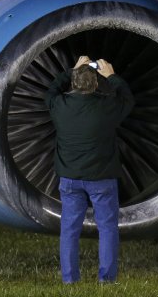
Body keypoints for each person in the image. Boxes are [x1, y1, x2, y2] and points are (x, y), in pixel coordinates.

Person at [45, 55, 134, 285]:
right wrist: (112, 76)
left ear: (74, 83)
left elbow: (50, 92)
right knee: (107, 229)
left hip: (70, 180)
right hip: (102, 179)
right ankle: (107, 280)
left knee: (69, 231)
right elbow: (128, 99)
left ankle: (70, 280)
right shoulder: (107, 107)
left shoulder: (59, 106)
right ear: (96, 84)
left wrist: (70, 71)